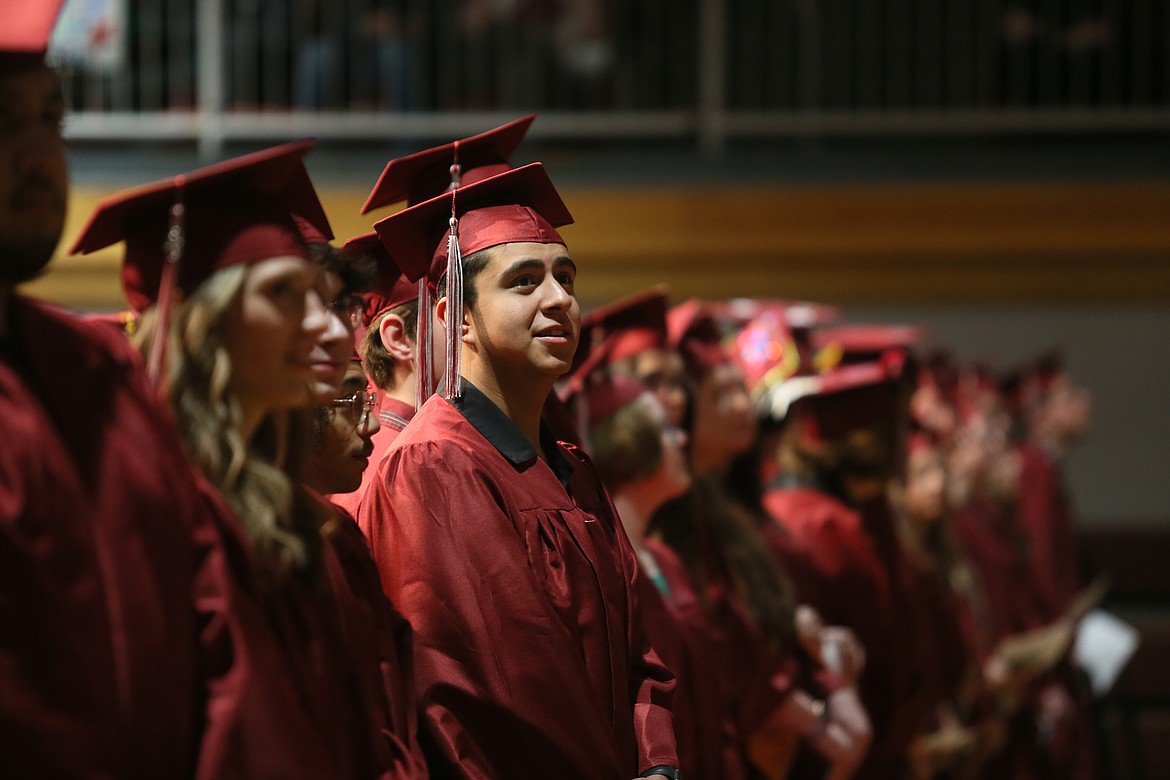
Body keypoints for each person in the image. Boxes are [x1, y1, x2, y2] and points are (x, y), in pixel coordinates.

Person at [70, 140, 405, 779]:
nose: (332, 331)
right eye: (284, 295)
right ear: (208, 322)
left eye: (325, 299)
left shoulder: (291, 513)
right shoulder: (148, 506)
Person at [358, 162, 680, 779]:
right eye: (525, 281)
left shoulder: (572, 467)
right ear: (459, 317)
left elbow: (641, 650)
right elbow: (490, 692)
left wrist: (657, 764)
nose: (559, 299)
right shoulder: (435, 464)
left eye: (566, 277)